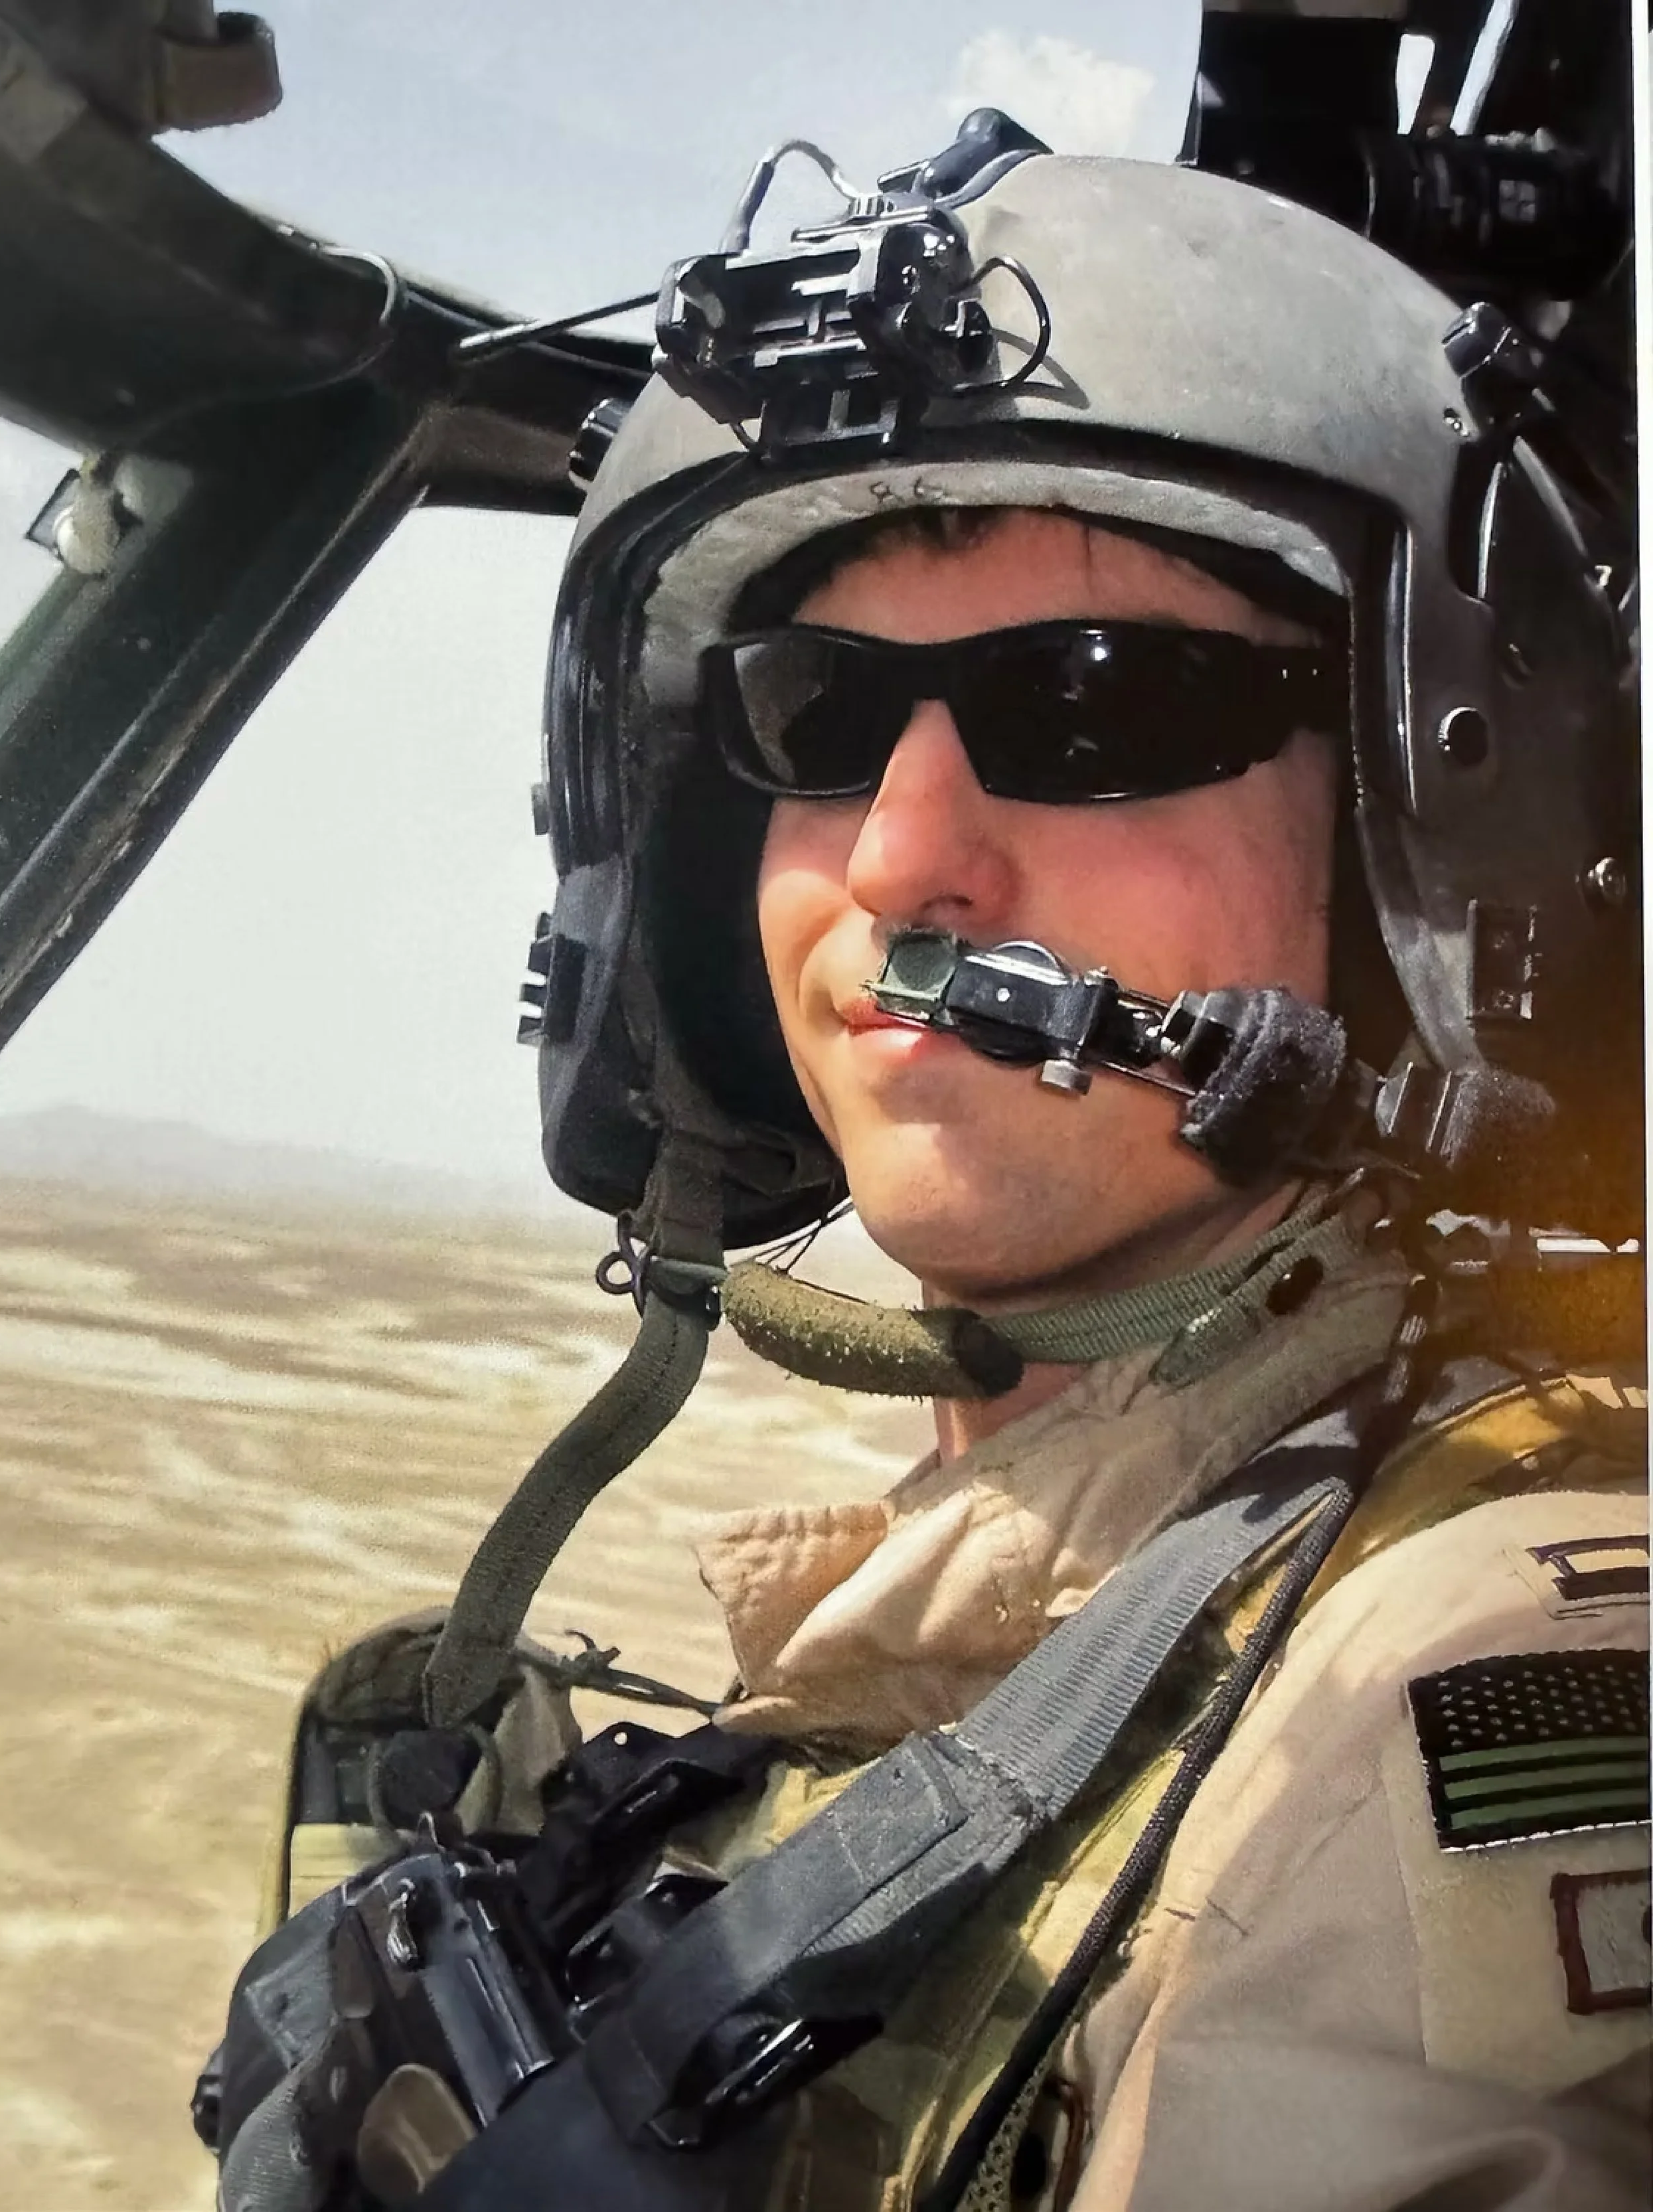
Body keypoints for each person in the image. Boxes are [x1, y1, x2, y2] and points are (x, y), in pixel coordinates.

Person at [205, 131, 1650, 2212]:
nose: (896, 860)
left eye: (1092, 701)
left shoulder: (1432, 1693)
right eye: (814, 715)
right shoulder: (1110, 1573)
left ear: (1419, 841)